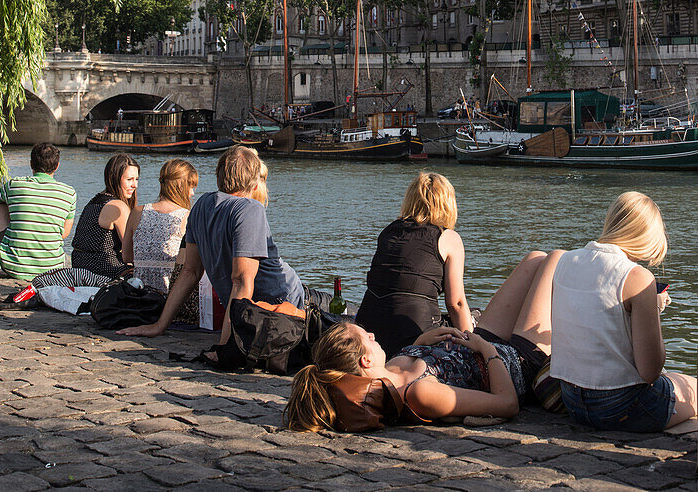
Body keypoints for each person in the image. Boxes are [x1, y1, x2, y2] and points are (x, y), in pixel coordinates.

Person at [284, 250, 563, 432]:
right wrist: (486, 351)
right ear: (365, 360)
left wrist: (423, 342)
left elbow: (424, 362)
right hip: (515, 362)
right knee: (557, 260)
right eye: (365, 337)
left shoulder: (389, 371)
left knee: (535, 258)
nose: (371, 334)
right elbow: (506, 404)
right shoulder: (418, 395)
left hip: (477, 342)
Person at [120, 145, 309, 343]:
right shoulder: (250, 209)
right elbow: (242, 281)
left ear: (218, 175)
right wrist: (225, 346)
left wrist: (159, 326)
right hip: (283, 299)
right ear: (255, 184)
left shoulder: (202, 205)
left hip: (273, 300)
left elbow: (190, 272)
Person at [550, 191, 697, 432]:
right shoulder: (638, 277)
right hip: (621, 407)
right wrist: (652, 308)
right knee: (692, 389)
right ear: (648, 235)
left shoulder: (565, 261)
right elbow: (650, 371)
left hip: (572, 401)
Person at [355, 172, 473, 356]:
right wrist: (473, 346)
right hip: (415, 333)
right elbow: (456, 303)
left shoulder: (389, 231)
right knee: (475, 318)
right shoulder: (448, 238)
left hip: (370, 331)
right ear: (448, 204)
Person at [0, 143, 76, 281]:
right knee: (68, 261)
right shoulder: (69, 193)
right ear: (57, 166)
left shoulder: (14, 185)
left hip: (13, 265)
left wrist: (16, 220)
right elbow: (64, 233)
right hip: (52, 268)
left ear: (31, 164)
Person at [122, 159, 198, 292]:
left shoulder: (137, 212)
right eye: (191, 187)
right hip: (169, 296)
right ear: (180, 186)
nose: (192, 193)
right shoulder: (187, 217)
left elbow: (127, 257)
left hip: (139, 293)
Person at [69, 154, 140, 277]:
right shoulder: (118, 206)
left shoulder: (95, 201)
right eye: (129, 180)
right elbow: (131, 251)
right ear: (115, 179)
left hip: (80, 265)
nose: (135, 185)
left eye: (136, 179)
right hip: (103, 268)